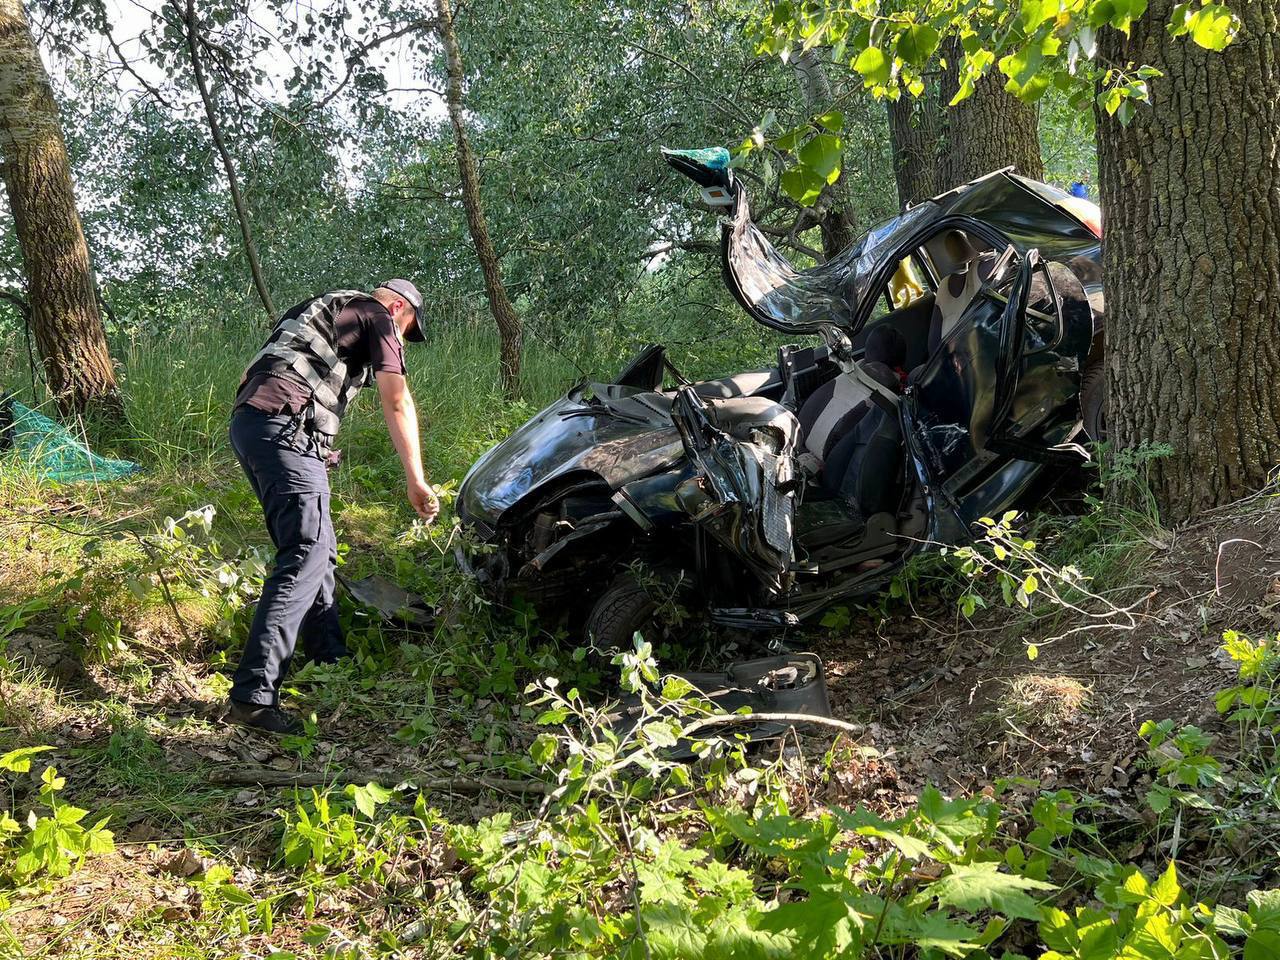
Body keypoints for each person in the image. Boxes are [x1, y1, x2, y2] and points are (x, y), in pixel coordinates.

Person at [226, 280, 438, 734]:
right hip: (285, 431)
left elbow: (251, 374)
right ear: (398, 307)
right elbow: (397, 398)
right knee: (305, 553)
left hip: (254, 425)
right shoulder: (377, 314)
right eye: (407, 329)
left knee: (318, 548)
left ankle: (329, 654)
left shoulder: (318, 307)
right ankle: (253, 696)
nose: (401, 339)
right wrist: (416, 479)